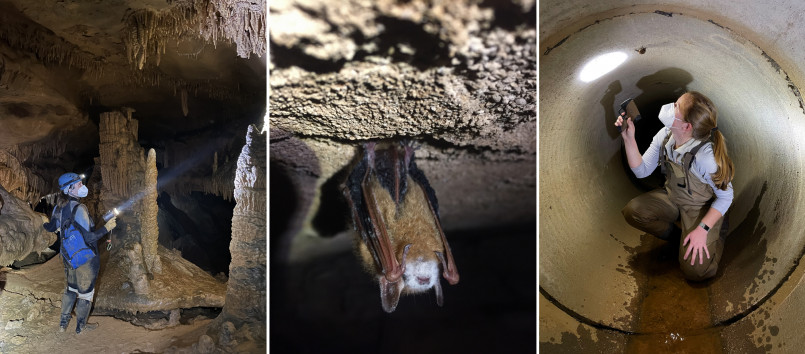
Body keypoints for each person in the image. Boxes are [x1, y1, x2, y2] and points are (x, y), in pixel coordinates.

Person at [615, 91, 734, 281]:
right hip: (672, 197)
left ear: (687, 126)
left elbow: (726, 196)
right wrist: (629, 139)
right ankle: (679, 238)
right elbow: (642, 170)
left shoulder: (706, 158)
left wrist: (703, 230)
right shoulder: (665, 136)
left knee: (696, 272)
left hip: (699, 207)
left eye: (676, 106)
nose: (671, 106)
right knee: (634, 211)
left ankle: (718, 232)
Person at [42, 172, 117, 333]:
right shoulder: (80, 208)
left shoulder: (58, 207)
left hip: (68, 258)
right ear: (69, 189)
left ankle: (63, 325)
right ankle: (80, 326)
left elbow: (50, 228)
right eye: (79, 185)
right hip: (86, 259)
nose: (83, 187)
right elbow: (90, 238)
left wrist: (44, 222)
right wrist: (107, 228)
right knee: (85, 294)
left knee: (71, 289)